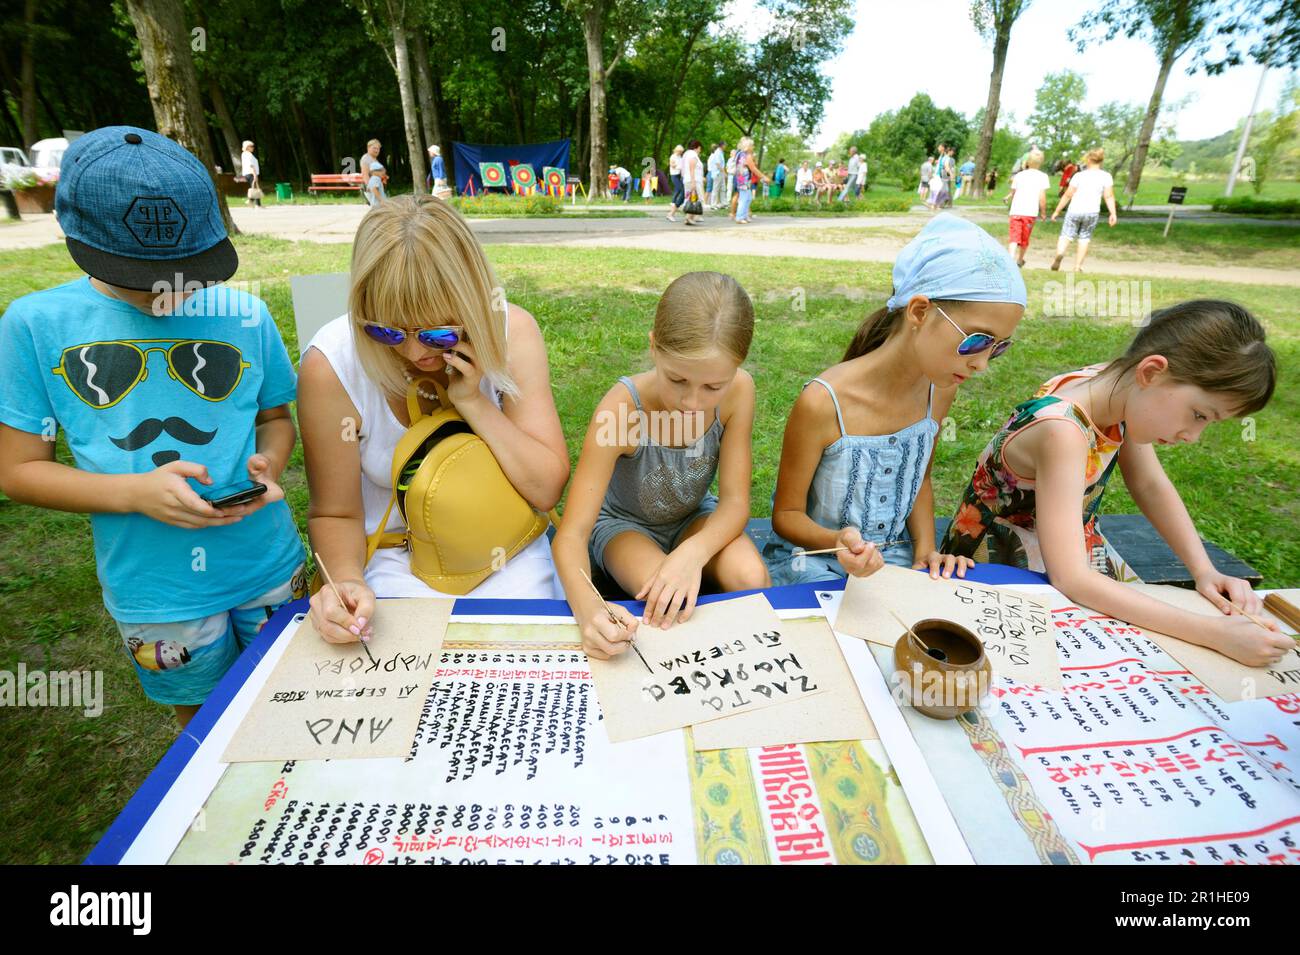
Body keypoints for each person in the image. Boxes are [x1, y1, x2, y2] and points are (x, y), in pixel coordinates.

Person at [0, 126, 307, 729]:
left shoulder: (244, 313)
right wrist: (134, 494)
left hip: (267, 562)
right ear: (76, 240)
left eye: (191, 273)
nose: (169, 292)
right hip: (156, 588)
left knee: (290, 700)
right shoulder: (36, 325)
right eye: (139, 277)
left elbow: (275, 418)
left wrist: (270, 459)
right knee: (205, 725)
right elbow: (18, 471)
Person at [941, 301, 1286, 668]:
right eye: (1199, 414)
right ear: (1151, 371)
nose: (1194, 436)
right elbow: (1071, 578)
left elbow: (1150, 484)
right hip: (999, 576)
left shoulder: (1119, 389)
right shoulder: (1063, 431)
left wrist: (1205, 571)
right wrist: (1214, 634)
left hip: (1065, 558)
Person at [299, 195, 570, 642]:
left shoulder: (512, 332)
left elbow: (544, 488)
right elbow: (336, 512)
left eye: (438, 333)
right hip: (392, 555)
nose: (414, 352)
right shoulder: (331, 364)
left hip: (504, 544)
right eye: (385, 330)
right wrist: (346, 580)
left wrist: (476, 403)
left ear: (475, 302)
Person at [764, 214, 1025, 585]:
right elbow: (787, 515)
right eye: (977, 340)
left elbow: (920, 479)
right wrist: (837, 543)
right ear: (919, 311)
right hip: (816, 563)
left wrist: (925, 554)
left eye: (998, 348)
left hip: (897, 563)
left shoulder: (941, 390)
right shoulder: (823, 402)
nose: (981, 364)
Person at [553, 271, 770, 657]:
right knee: (665, 598)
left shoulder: (740, 392)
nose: (692, 402)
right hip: (624, 526)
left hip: (693, 519)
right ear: (654, 346)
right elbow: (572, 533)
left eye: (712, 387)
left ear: (737, 367)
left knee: (751, 577)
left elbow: (735, 503)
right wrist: (588, 611)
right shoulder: (621, 409)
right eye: (678, 379)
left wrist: (693, 553)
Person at [1050, 148, 1118, 272]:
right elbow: (1108, 196)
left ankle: (1060, 253)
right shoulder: (1106, 176)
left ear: (1087, 160)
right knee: (1084, 238)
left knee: (1066, 235)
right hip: (1091, 212)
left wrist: (1057, 211)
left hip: (1074, 210)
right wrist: (1112, 213)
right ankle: (1077, 266)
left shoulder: (1078, 176)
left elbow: (1068, 195)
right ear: (1101, 161)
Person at [1005, 148, 1048, 266]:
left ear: (1027, 162)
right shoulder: (1042, 176)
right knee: (1024, 238)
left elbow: (1013, 192)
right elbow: (1042, 197)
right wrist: (1043, 212)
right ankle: (1020, 260)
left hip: (1016, 211)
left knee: (1014, 237)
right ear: (1041, 162)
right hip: (1030, 213)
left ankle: (1010, 259)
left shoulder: (1019, 175)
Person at [733, 136, 771, 224]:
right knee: (744, 198)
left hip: (740, 178)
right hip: (744, 179)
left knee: (748, 197)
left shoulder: (739, 153)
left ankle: (745, 216)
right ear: (748, 146)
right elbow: (753, 168)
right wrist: (763, 177)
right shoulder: (747, 156)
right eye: (752, 146)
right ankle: (740, 217)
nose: (753, 147)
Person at [681, 139, 705, 226]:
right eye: (700, 148)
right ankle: (689, 217)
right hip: (693, 180)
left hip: (688, 180)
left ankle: (690, 218)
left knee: (690, 198)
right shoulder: (693, 155)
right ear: (697, 147)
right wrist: (693, 182)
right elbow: (692, 169)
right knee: (696, 199)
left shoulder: (687, 154)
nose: (700, 150)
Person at [361, 139, 387, 206]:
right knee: (377, 206)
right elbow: (365, 174)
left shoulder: (374, 159)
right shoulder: (366, 158)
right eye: (374, 148)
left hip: (377, 187)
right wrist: (369, 187)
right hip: (372, 188)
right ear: (368, 148)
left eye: (378, 149)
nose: (376, 150)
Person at [666, 146, 684, 220]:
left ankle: (673, 202)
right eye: (679, 151)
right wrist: (679, 166)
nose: (680, 152)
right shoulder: (673, 156)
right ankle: (673, 202)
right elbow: (672, 165)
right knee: (679, 188)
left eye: (681, 152)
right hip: (674, 174)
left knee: (678, 188)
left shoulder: (680, 157)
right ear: (676, 150)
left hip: (679, 174)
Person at [241, 140, 261, 207]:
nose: (253, 147)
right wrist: (255, 174)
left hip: (248, 173)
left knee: (254, 187)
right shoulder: (248, 154)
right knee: (255, 188)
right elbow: (251, 165)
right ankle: (257, 204)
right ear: (247, 147)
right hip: (251, 173)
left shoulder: (245, 154)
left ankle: (250, 201)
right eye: (251, 146)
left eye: (253, 146)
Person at [708, 141, 727, 210]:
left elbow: (722, 164)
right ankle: (713, 205)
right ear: (722, 145)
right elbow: (718, 164)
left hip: (721, 173)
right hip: (717, 173)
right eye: (725, 145)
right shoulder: (717, 152)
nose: (726, 146)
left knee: (723, 188)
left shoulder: (721, 152)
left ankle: (724, 203)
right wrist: (724, 172)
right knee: (715, 188)